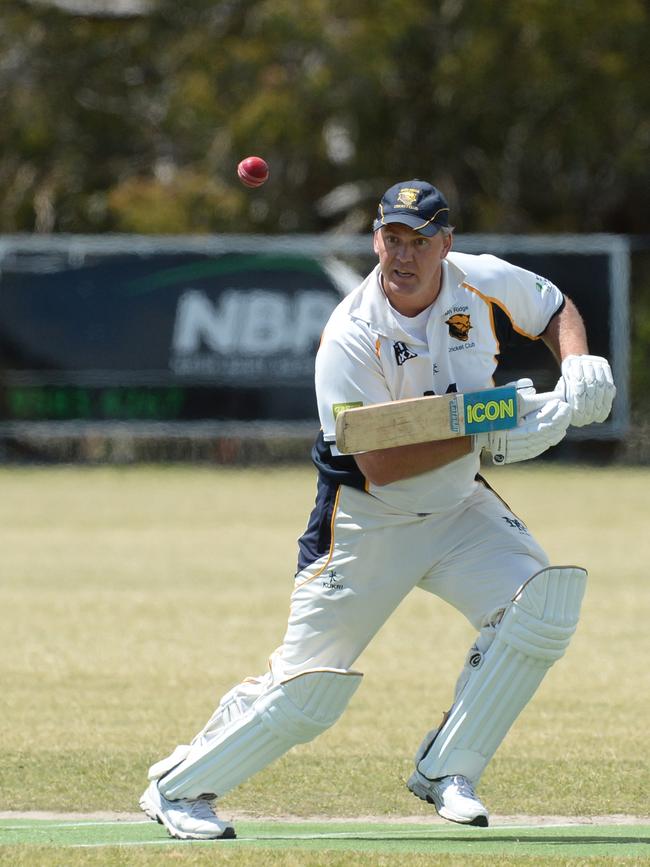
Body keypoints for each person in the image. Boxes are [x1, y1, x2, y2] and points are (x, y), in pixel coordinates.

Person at [140, 179, 616, 838]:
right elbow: (380, 459)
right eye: (392, 238)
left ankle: (447, 767)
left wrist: (580, 362)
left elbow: (556, 305)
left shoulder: (477, 282)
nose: (403, 254)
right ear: (375, 240)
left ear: (445, 244)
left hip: (456, 507)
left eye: (418, 240)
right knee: (307, 693)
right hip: (367, 519)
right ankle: (179, 787)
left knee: (541, 607)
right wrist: (493, 419)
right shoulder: (350, 332)